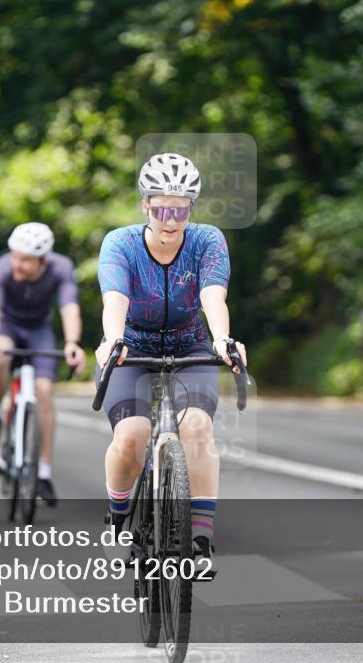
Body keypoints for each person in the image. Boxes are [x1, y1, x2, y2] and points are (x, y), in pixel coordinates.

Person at [95, 152, 246, 564]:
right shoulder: (121, 243)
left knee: (196, 428)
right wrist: (113, 339)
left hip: (190, 344)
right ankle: (118, 512)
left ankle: (199, 540)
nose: (170, 218)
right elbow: (115, 300)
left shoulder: (207, 240)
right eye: (161, 207)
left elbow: (213, 295)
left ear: (191, 209)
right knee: (132, 434)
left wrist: (222, 339)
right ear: (145, 205)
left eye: (180, 209)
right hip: (132, 346)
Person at [0, 222, 85, 507]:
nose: (17, 263)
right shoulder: (2, 267)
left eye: (25, 260)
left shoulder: (60, 268)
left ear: (43, 260)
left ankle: (44, 473)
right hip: (7, 326)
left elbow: (69, 307)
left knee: (45, 392)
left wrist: (73, 342)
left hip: (40, 331)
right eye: (15, 256)